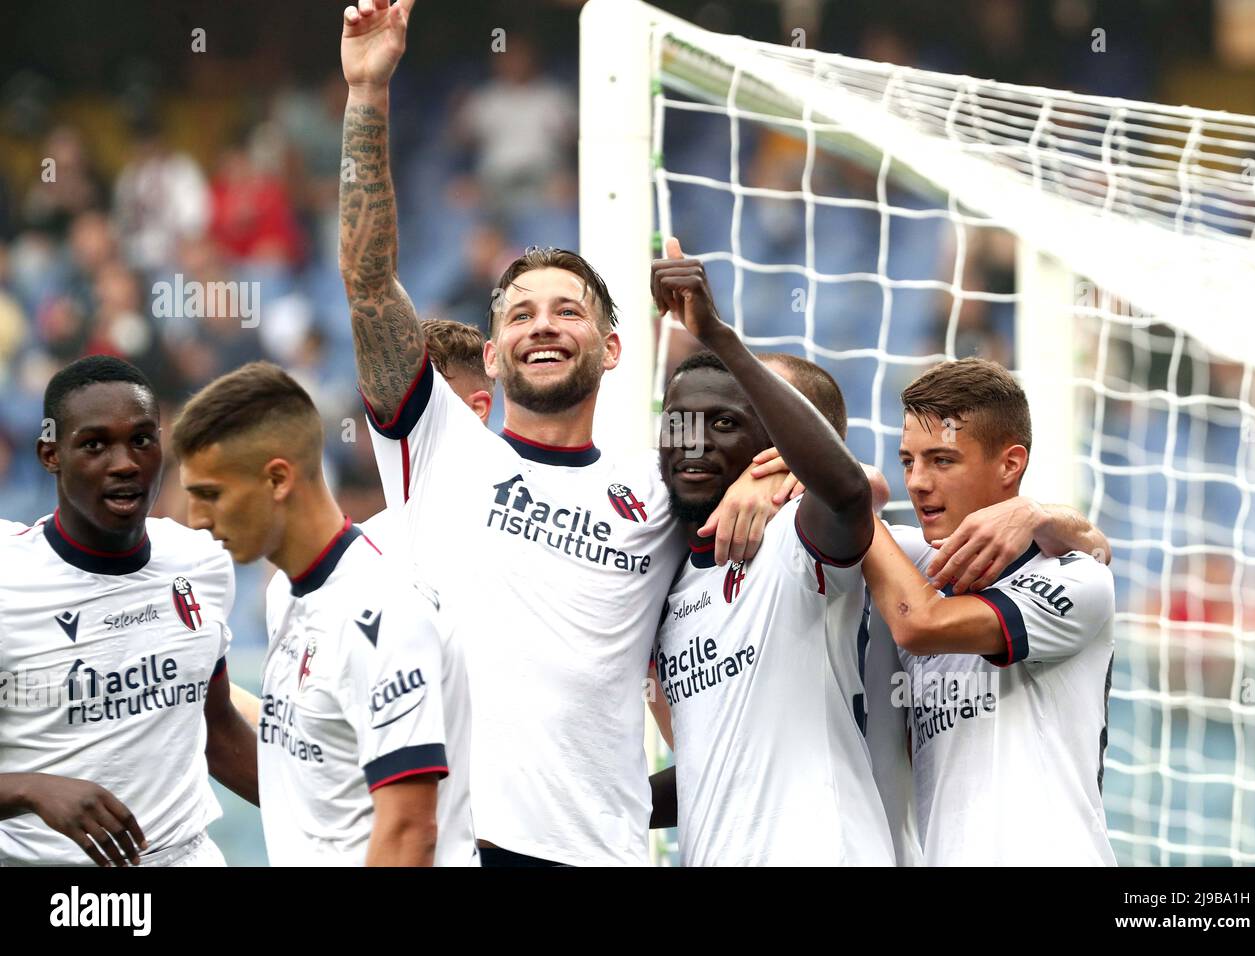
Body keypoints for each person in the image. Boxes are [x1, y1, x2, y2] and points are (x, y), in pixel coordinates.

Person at [338, 0, 791, 866]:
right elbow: (367, 284)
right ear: (495, 358)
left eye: (568, 312)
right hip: (469, 845)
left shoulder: (660, 490)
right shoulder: (439, 446)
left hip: (607, 852)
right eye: (520, 316)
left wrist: (770, 479)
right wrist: (368, 92)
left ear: (612, 347)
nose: (543, 327)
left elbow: (836, 501)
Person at [649, 241, 894, 865]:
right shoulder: (667, 581)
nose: (694, 443)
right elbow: (717, 765)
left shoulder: (795, 538)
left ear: (773, 447)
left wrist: (718, 338)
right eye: (678, 425)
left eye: (727, 423)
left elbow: (848, 492)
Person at [172, 361, 474, 866]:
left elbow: (408, 831)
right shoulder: (288, 595)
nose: (198, 520)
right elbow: (312, 762)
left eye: (211, 495)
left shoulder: (386, 612)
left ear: (277, 479)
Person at [857, 358, 1117, 865]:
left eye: (942, 460)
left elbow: (920, 622)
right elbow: (852, 485)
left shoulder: (1076, 577)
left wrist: (1038, 512)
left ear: (1009, 465)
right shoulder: (910, 560)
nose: (917, 481)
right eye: (908, 460)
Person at [0, 355, 256, 867]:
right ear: (50, 454)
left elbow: (218, 727)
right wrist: (30, 789)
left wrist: (339, 815)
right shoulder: (9, 581)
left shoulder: (200, 562)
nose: (124, 463)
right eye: (95, 444)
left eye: (142, 439)